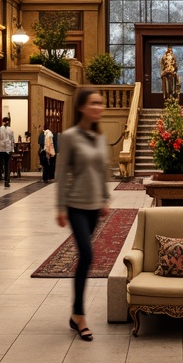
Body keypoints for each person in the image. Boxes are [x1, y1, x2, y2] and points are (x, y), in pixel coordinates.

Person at [55, 87, 111, 342]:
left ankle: (74, 314)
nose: (99, 107)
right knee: (87, 255)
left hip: (93, 207)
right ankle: (80, 315)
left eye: (100, 103)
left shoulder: (99, 138)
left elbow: (103, 171)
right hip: (76, 205)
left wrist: (105, 198)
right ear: (81, 107)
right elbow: (61, 173)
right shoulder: (69, 137)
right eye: (94, 103)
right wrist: (60, 207)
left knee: (84, 259)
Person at [0, 116, 16, 188]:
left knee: (1, 164)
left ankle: (1, 176)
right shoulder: (10, 130)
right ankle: (7, 179)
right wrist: (12, 149)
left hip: (1, 149)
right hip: (8, 149)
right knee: (7, 164)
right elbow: (12, 140)